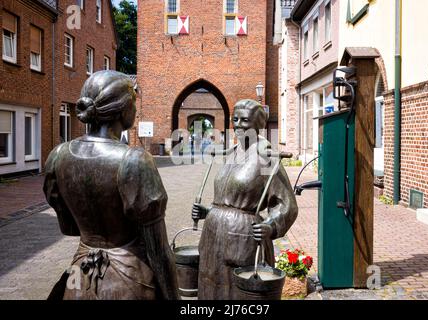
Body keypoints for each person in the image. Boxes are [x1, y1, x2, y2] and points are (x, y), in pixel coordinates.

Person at [44, 70, 179, 300]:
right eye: (134, 102)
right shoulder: (134, 160)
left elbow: (68, 228)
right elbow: (158, 250)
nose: (136, 110)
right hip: (129, 280)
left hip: (80, 277)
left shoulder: (57, 156)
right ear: (124, 109)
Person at [192, 99, 298, 300]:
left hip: (243, 240)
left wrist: (271, 225)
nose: (238, 125)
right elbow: (227, 198)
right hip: (213, 237)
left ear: (258, 124)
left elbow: (287, 204)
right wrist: (207, 212)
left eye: (245, 120)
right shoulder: (230, 154)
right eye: (235, 119)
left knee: (237, 293)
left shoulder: (266, 157)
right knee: (210, 288)